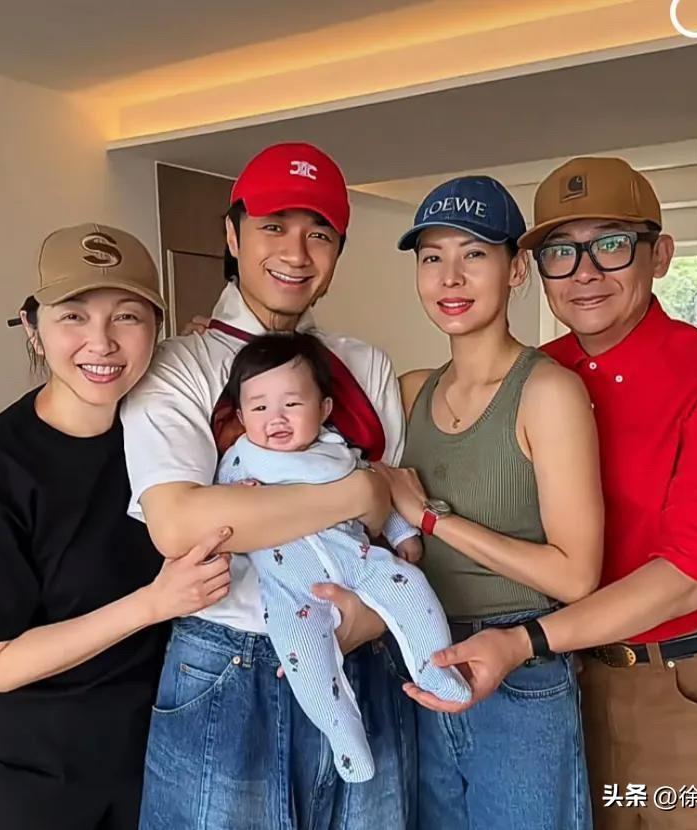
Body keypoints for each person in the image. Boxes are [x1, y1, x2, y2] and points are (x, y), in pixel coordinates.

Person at [412, 157, 697, 830]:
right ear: (537, 270)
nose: (584, 273)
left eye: (611, 245)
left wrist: (524, 642)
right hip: (569, 686)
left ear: (660, 255)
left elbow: (688, 580)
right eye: (561, 252)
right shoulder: (538, 377)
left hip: (690, 688)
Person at [120, 143, 418, 830]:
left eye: (320, 234)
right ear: (232, 236)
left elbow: (394, 524)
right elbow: (180, 524)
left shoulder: (364, 366)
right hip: (229, 661)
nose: (296, 252)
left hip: (360, 650)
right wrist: (355, 493)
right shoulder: (181, 366)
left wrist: (375, 618)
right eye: (273, 226)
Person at [0, 224, 233, 830]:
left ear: (158, 330)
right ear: (32, 327)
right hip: (32, 766)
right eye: (73, 315)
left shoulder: (167, 437)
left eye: (127, 317)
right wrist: (153, 603)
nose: (102, 342)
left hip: (151, 746)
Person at [378, 175, 603, 829]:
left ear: (517, 270)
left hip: (519, 663)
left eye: (474, 253)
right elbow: (303, 399)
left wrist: (432, 519)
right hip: (419, 652)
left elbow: (575, 575)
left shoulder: (548, 392)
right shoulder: (410, 390)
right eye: (432, 257)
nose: (450, 277)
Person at [217, 332, 470, 783]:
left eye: (292, 404)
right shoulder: (241, 462)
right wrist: (238, 498)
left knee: (413, 589)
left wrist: (403, 533)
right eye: (259, 408)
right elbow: (218, 520)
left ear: (324, 409)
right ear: (240, 416)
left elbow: (380, 490)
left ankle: (434, 669)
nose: (276, 418)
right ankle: (343, 737)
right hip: (292, 591)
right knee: (306, 662)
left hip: (359, 561)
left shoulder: (339, 453)